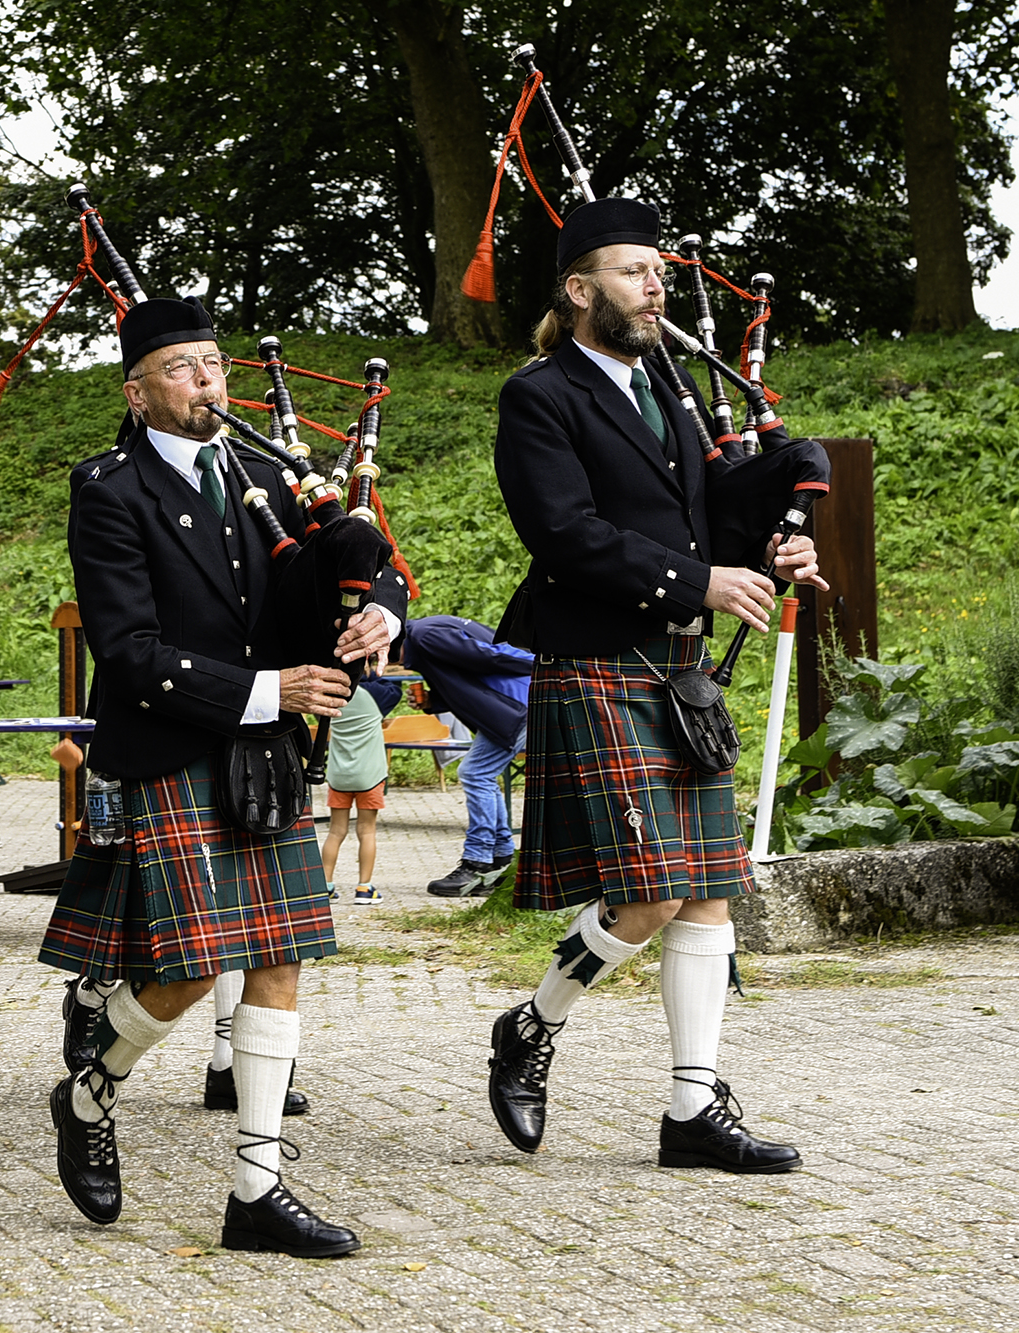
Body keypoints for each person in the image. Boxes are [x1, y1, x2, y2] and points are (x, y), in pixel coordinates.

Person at [41, 294, 405, 1258]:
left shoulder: (261, 471)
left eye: (215, 363)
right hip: (174, 746)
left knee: (278, 956)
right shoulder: (109, 488)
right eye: (184, 367)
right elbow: (127, 649)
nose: (209, 382)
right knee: (192, 969)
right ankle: (87, 1091)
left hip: (264, 755)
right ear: (140, 389)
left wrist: (379, 616)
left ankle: (258, 1186)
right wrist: (267, 688)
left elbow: (350, 561)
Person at [487, 197, 828, 1173]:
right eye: (634, 272)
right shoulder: (540, 396)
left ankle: (691, 1108)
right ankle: (529, 1026)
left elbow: (702, 514)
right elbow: (561, 533)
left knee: (707, 892)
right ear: (578, 288)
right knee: (646, 894)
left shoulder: (665, 391)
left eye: (658, 273)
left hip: (675, 668)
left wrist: (769, 541)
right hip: (594, 656)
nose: (654, 287)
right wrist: (697, 580)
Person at [395, 615, 534, 898]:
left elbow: (488, 655)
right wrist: (432, 701)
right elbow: (466, 678)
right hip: (510, 706)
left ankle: (477, 862)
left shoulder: (424, 636)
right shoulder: (423, 637)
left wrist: (541, 663)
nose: (376, 666)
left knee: (475, 773)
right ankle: (501, 860)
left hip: (517, 704)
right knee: (481, 775)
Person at [320, 678, 392, 905]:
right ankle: (364, 888)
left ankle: (326, 886)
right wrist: (372, 675)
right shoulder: (374, 694)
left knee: (335, 831)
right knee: (367, 831)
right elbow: (395, 690)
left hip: (340, 775)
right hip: (370, 776)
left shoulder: (328, 695)